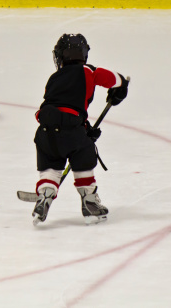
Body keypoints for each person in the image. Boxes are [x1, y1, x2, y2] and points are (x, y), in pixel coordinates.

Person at [32, 33, 129, 225]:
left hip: (45, 130)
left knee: (51, 166)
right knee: (83, 161)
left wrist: (82, 127)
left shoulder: (53, 78)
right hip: (72, 131)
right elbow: (114, 79)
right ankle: (90, 203)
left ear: (59, 56)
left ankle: (45, 195)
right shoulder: (88, 71)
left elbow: (57, 108)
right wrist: (121, 85)